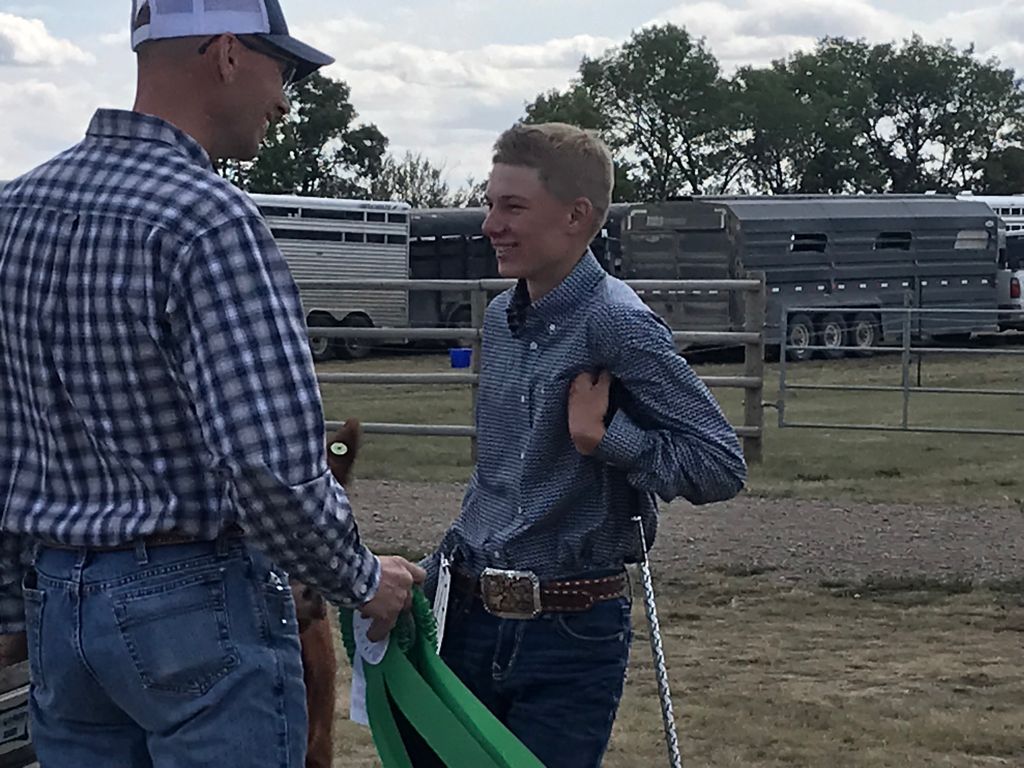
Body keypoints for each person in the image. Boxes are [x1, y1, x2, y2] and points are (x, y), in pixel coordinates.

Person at [0, 1, 424, 766]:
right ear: (227, 53)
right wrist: (361, 578)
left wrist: (10, 601)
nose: (284, 98)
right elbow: (268, 466)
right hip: (194, 604)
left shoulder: (14, 210)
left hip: (57, 597)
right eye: (283, 68)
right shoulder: (209, 220)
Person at [422, 122, 748, 768]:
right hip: (464, 614)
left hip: (567, 633)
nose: (490, 225)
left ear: (577, 217)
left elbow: (720, 464)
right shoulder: (499, 317)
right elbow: (497, 479)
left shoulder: (618, 325)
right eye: (490, 204)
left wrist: (606, 439)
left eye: (512, 207)